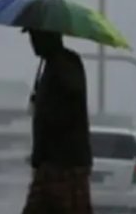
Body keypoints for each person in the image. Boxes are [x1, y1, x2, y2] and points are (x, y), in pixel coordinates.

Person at [21, 28, 92, 214]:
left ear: (49, 37)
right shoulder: (51, 66)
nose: (33, 42)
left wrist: (45, 104)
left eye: (35, 36)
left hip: (64, 166)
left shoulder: (65, 65)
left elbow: (68, 101)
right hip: (52, 165)